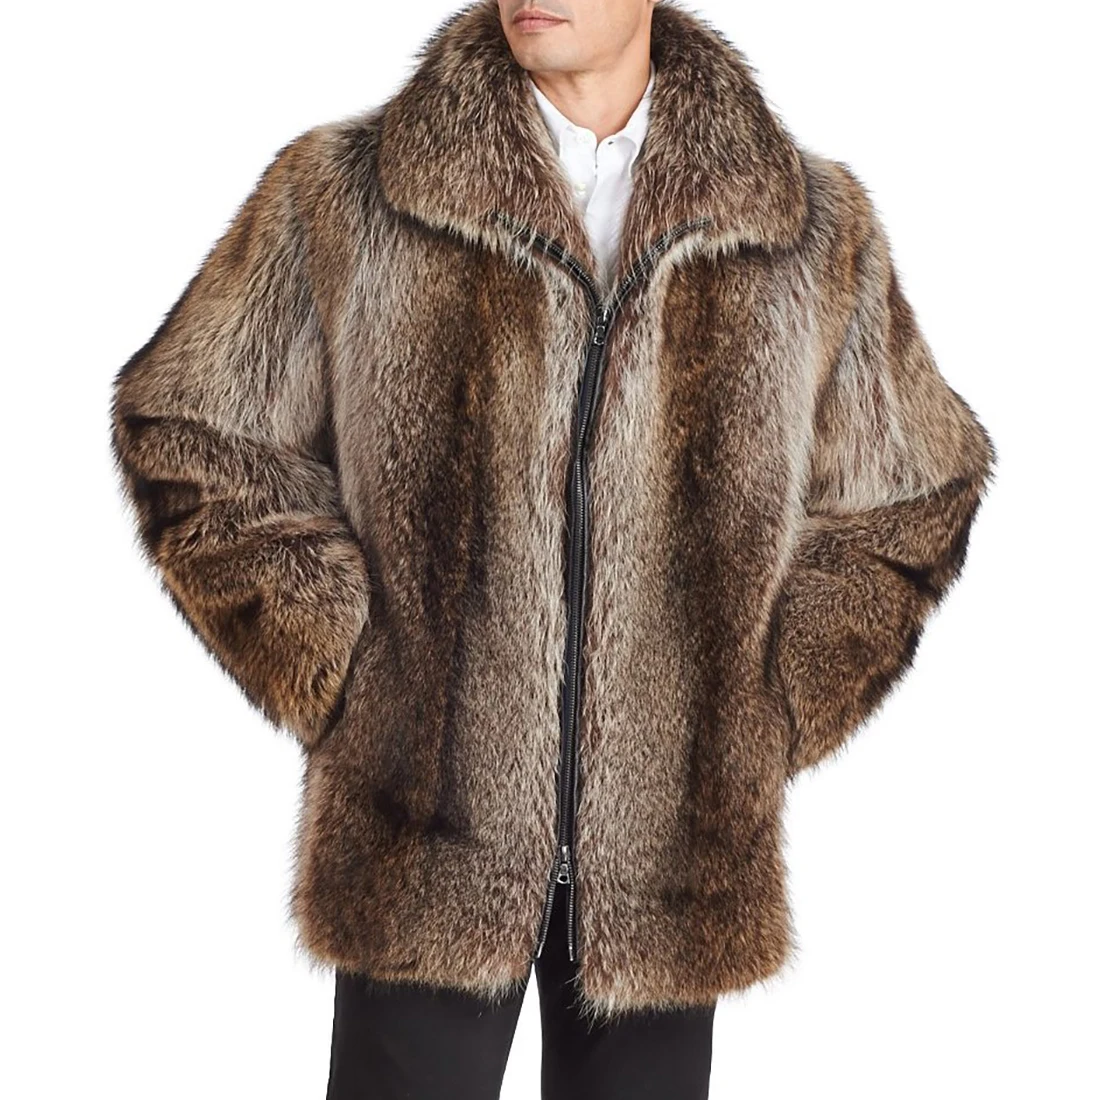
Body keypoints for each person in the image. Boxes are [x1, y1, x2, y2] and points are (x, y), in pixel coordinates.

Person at [107, 1, 996, 1097]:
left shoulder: (807, 229)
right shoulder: (345, 194)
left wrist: (765, 703)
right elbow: (188, 428)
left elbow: (916, 490)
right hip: (419, 837)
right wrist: (345, 664)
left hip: (669, 858)